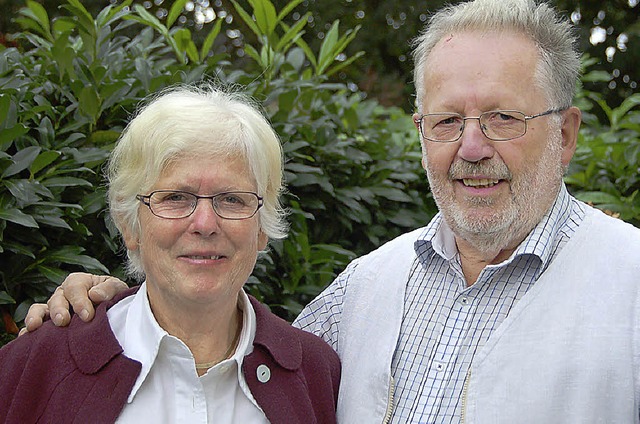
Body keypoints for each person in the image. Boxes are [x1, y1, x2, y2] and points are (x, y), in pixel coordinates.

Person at [19, 0, 640, 422]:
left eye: (503, 117)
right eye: (448, 120)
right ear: (421, 131)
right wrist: (111, 301)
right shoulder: (364, 290)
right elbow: (225, 333)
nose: (471, 148)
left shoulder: (629, 284)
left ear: (564, 134)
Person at [0, 85, 340, 423]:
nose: (205, 223)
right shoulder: (35, 366)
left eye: (233, 199)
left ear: (262, 228)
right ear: (130, 225)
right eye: (176, 197)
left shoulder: (317, 375)